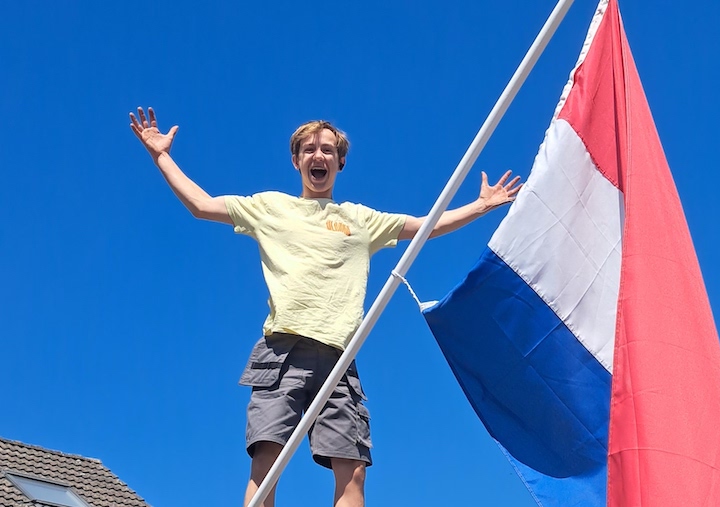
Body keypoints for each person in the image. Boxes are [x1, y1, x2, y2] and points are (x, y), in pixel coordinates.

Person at [129, 107, 522, 507]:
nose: (319, 156)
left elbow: (425, 226)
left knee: (353, 471)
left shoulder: (360, 219)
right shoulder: (270, 207)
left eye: (328, 150)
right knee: (267, 463)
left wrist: (480, 206)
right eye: (310, 150)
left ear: (340, 162)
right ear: (296, 160)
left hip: (340, 358)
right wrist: (161, 156)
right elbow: (201, 205)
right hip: (283, 350)